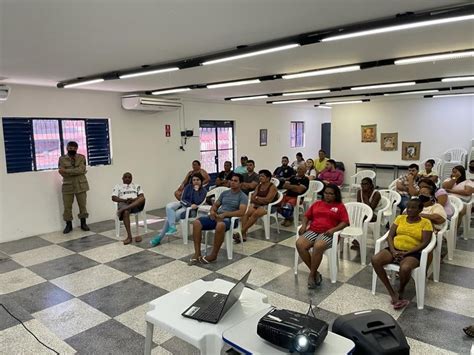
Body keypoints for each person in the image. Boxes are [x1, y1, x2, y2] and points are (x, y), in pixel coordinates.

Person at [371, 199, 433, 310]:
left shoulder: (426, 222)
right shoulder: (400, 218)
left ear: (420, 209)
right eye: (408, 207)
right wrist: (393, 250)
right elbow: (390, 236)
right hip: (394, 249)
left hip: (412, 253)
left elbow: (425, 242)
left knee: (405, 268)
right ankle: (391, 292)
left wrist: (407, 253)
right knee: (375, 260)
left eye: (413, 207)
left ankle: (401, 289)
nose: (409, 209)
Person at [296, 184, 349, 288]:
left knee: (318, 246)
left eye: (331, 194)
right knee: (299, 244)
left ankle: (311, 275)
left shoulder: (339, 206)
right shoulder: (317, 204)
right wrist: (303, 225)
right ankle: (315, 273)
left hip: (328, 233)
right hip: (313, 230)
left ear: (335, 195)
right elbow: (307, 216)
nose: (328, 195)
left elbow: (345, 222)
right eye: (326, 193)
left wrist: (334, 229)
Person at [190, 174, 248, 264]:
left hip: (231, 220)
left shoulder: (242, 196)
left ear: (241, 183)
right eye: (231, 180)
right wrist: (213, 211)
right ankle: (197, 253)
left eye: (235, 181)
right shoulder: (225, 193)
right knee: (196, 223)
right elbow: (215, 205)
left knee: (220, 225)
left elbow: (241, 212)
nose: (232, 182)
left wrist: (225, 214)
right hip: (218, 216)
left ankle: (213, 255)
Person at [150, 173, 207, 246]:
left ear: (201, 181)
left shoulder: (203, 191)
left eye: (198, 180)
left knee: (169, 218)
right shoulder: (188, 187)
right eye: (194, 180)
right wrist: (189, 204)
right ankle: (172, 227)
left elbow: (197, 202)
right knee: (168, 206)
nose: (195, 182)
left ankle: (159, 237)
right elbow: (182, 199)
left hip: (191, 211)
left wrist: (196, 190)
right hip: (185, 204)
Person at [237, 170, 278, 242]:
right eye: (260, 176)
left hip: (269, 206)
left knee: (255, 214)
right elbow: (252, 198)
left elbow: (268, 200)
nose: (260, 178)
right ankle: (243, 235)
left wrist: (257, 198)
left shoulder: (272, 187)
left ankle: (241, 232)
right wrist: (258, 199)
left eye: (262, 176)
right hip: (257, 205)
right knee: (245, 213)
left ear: (268, 178)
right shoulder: (259, 185)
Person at [58, 141, 90, 234]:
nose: (72, 149)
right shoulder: (62, 159)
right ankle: (68, 225)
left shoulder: (81, 157)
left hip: (81, 184)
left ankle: (83, 223)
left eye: (74, 148)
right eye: (70, 147)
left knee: (82, 206)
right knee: (67, 207)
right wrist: (76, 171)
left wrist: (67, 171)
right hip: (68, 186)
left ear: (77, 148)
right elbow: (61, 171)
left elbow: (82, 169)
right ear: (67, 148)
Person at [112, 172, 146, 244]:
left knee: (143, 198)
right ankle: (129, 237)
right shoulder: (118, 186)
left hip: (135, 203)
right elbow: (114, 198)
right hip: (124, 203)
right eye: (125, 177)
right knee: (126, 212)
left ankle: (123, 209)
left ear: (132, 178)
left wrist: (133, 200)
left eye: (129, 177)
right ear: (122, 178)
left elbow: (141, 196)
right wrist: (124, 200)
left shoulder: (136, 185)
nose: (127, 178)